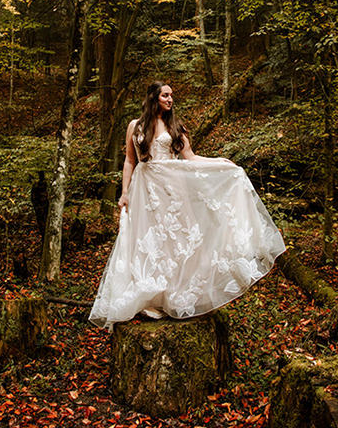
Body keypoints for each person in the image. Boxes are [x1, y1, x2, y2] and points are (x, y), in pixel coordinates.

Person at [89, 81, 287, 329]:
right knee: (148, 241)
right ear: (153, 98)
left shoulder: (175, 126)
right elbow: (129, 161)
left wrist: (220, 162)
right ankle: (151, 297)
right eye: (165, 95)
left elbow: (190, 158)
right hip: (144, 190)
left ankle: (173, 295)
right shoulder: (135, 126)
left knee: (176, 241)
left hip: (173, 189)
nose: (170, 99)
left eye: (172, 95)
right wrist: (124, 192)